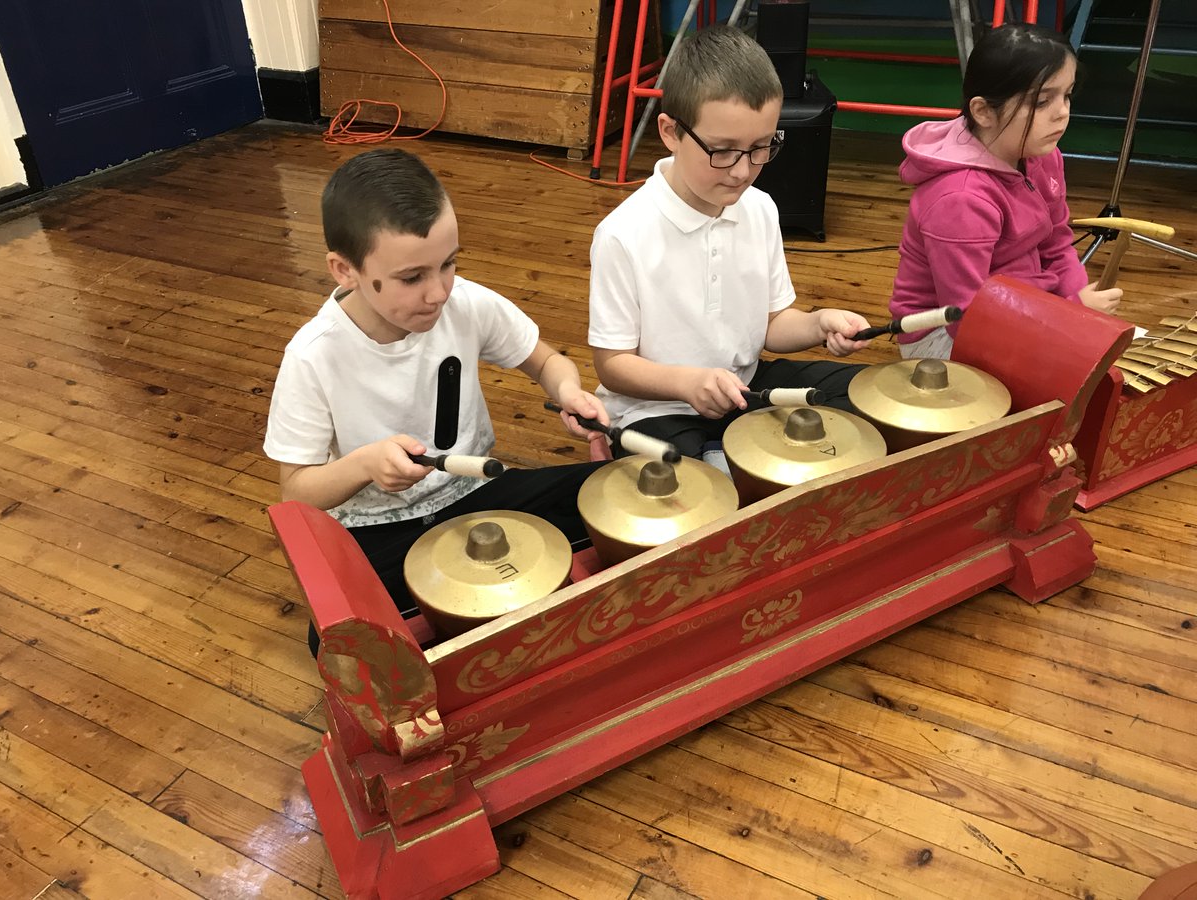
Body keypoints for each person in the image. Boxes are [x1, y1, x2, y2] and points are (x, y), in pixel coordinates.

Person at [264, 149, 608, 649]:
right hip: (378, 527)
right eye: (412, 278)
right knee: (340, 642)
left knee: (608, 492)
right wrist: (364, 465)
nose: (439, 292)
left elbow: (545, 361)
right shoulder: (313, 355)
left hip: (474, 494)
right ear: (344, 270)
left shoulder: (464, 301)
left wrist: (569, 391)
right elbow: (296, 493)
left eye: (448, 264)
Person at [587, 24, 873, 461]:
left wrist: (819, 324)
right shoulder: (622, 233)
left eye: (761, 147)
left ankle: (727, 451)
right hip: (658, 408)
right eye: (721, 150)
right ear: (670, 132)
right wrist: (687, 383)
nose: (742, 171)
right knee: (679, 482)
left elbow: (772, 325)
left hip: (746, 386)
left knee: (869, 395)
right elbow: (612, 364)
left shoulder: (760, 208)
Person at [888, 22, 1122, 360]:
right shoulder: (960, 200)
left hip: (1022, 305)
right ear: (983, 111)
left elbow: (1057, 244)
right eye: (1042, 101)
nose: (1062, 112)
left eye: (1067, 95)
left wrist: (1078, 311)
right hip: (943, 334)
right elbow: (966, 319)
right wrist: (1071, 315)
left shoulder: (1043, 155)